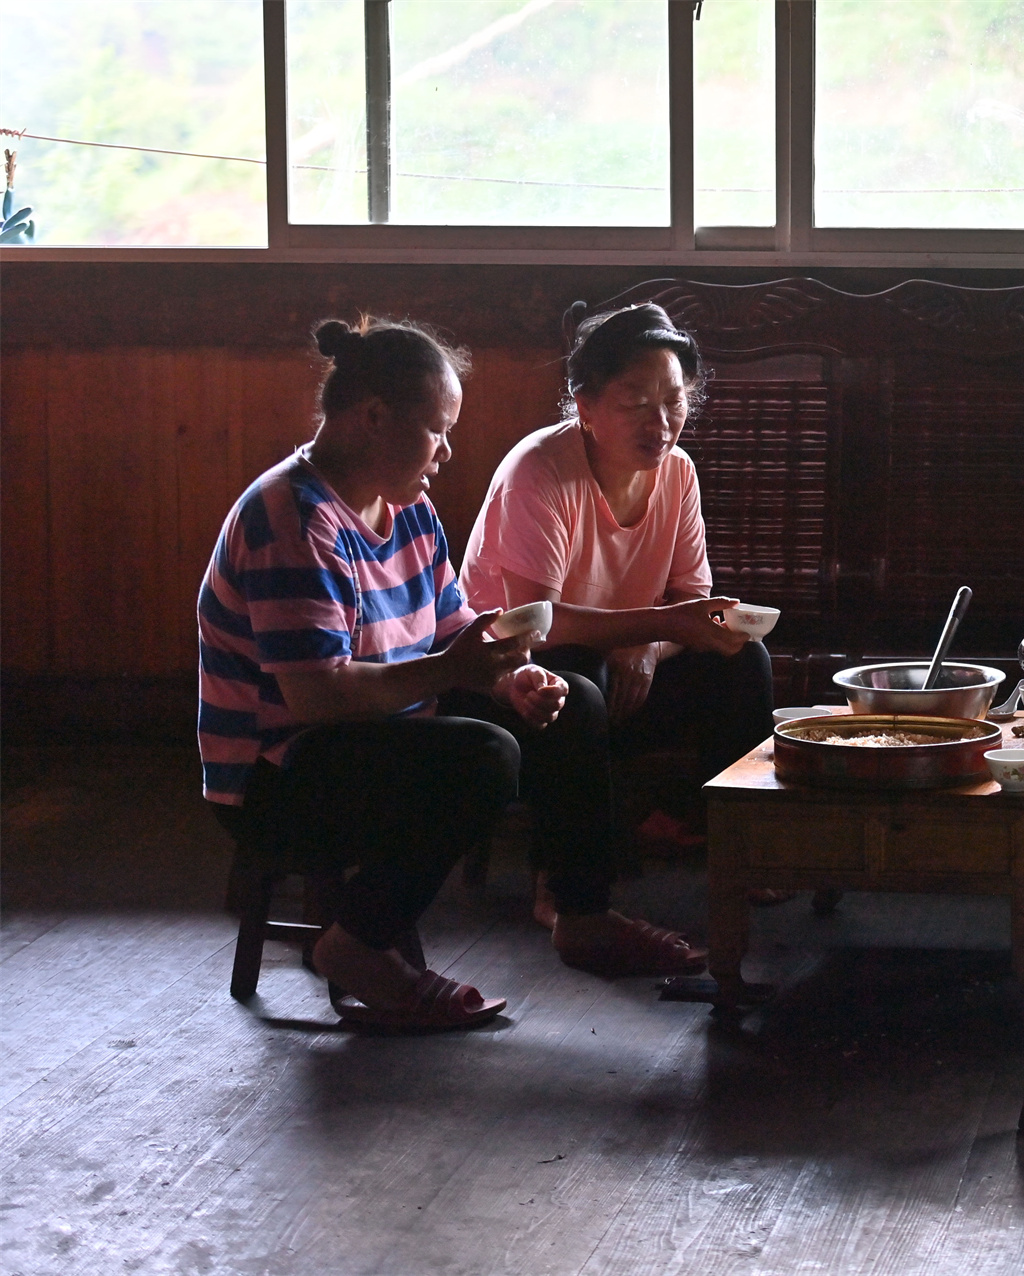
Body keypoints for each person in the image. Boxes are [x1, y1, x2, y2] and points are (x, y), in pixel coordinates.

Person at [199, 317, 706, 1033]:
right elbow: (315, 695)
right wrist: (454, 670)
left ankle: (584, 917)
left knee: (573, 705)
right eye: (437, 430)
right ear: (373, 418)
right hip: (280, 775)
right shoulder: (293, 519)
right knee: (482, 756)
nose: (446, 451)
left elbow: (452, 625)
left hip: (378, 731)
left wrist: (508, 679)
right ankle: (358, 943)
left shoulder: (407, 509)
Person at [458, 302, 774, 878]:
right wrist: (652, 629)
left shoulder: (677, 471)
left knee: (741, 656)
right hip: (514, 688)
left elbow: (692, 605)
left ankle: (732, 850)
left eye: (673, 402)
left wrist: (650, 645)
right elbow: (534, 625)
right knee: (581, 672)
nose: (660, 424)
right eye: (635, 404)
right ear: (585, 405)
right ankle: (562, 881)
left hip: (624, 677)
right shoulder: (539, 470)